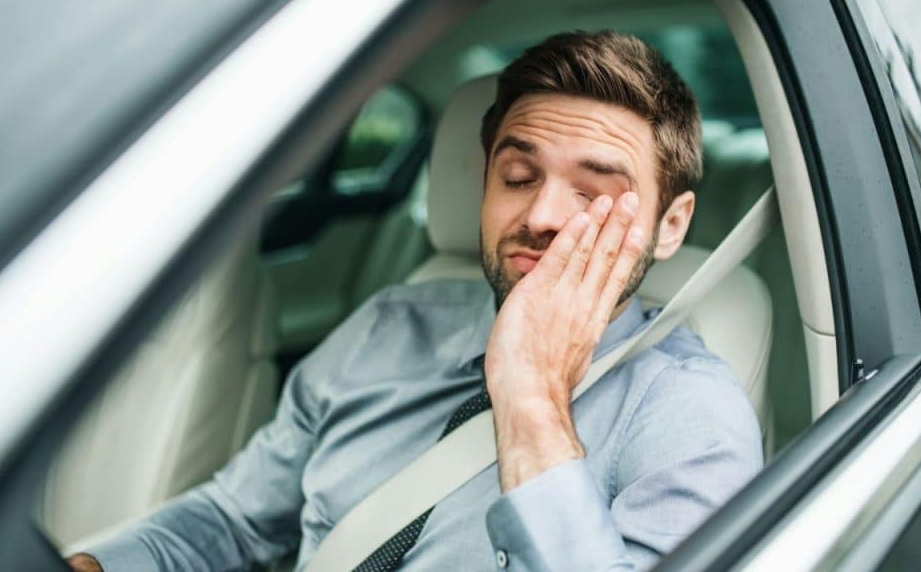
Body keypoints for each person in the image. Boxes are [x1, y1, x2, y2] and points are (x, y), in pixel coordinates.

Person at [68, 30, 762, 572]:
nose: (542, 215)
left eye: (592, 192)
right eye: (518, 176)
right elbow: (231, 519)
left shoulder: (690, 416)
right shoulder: (389, 326)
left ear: (671, 226)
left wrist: (531, 400)